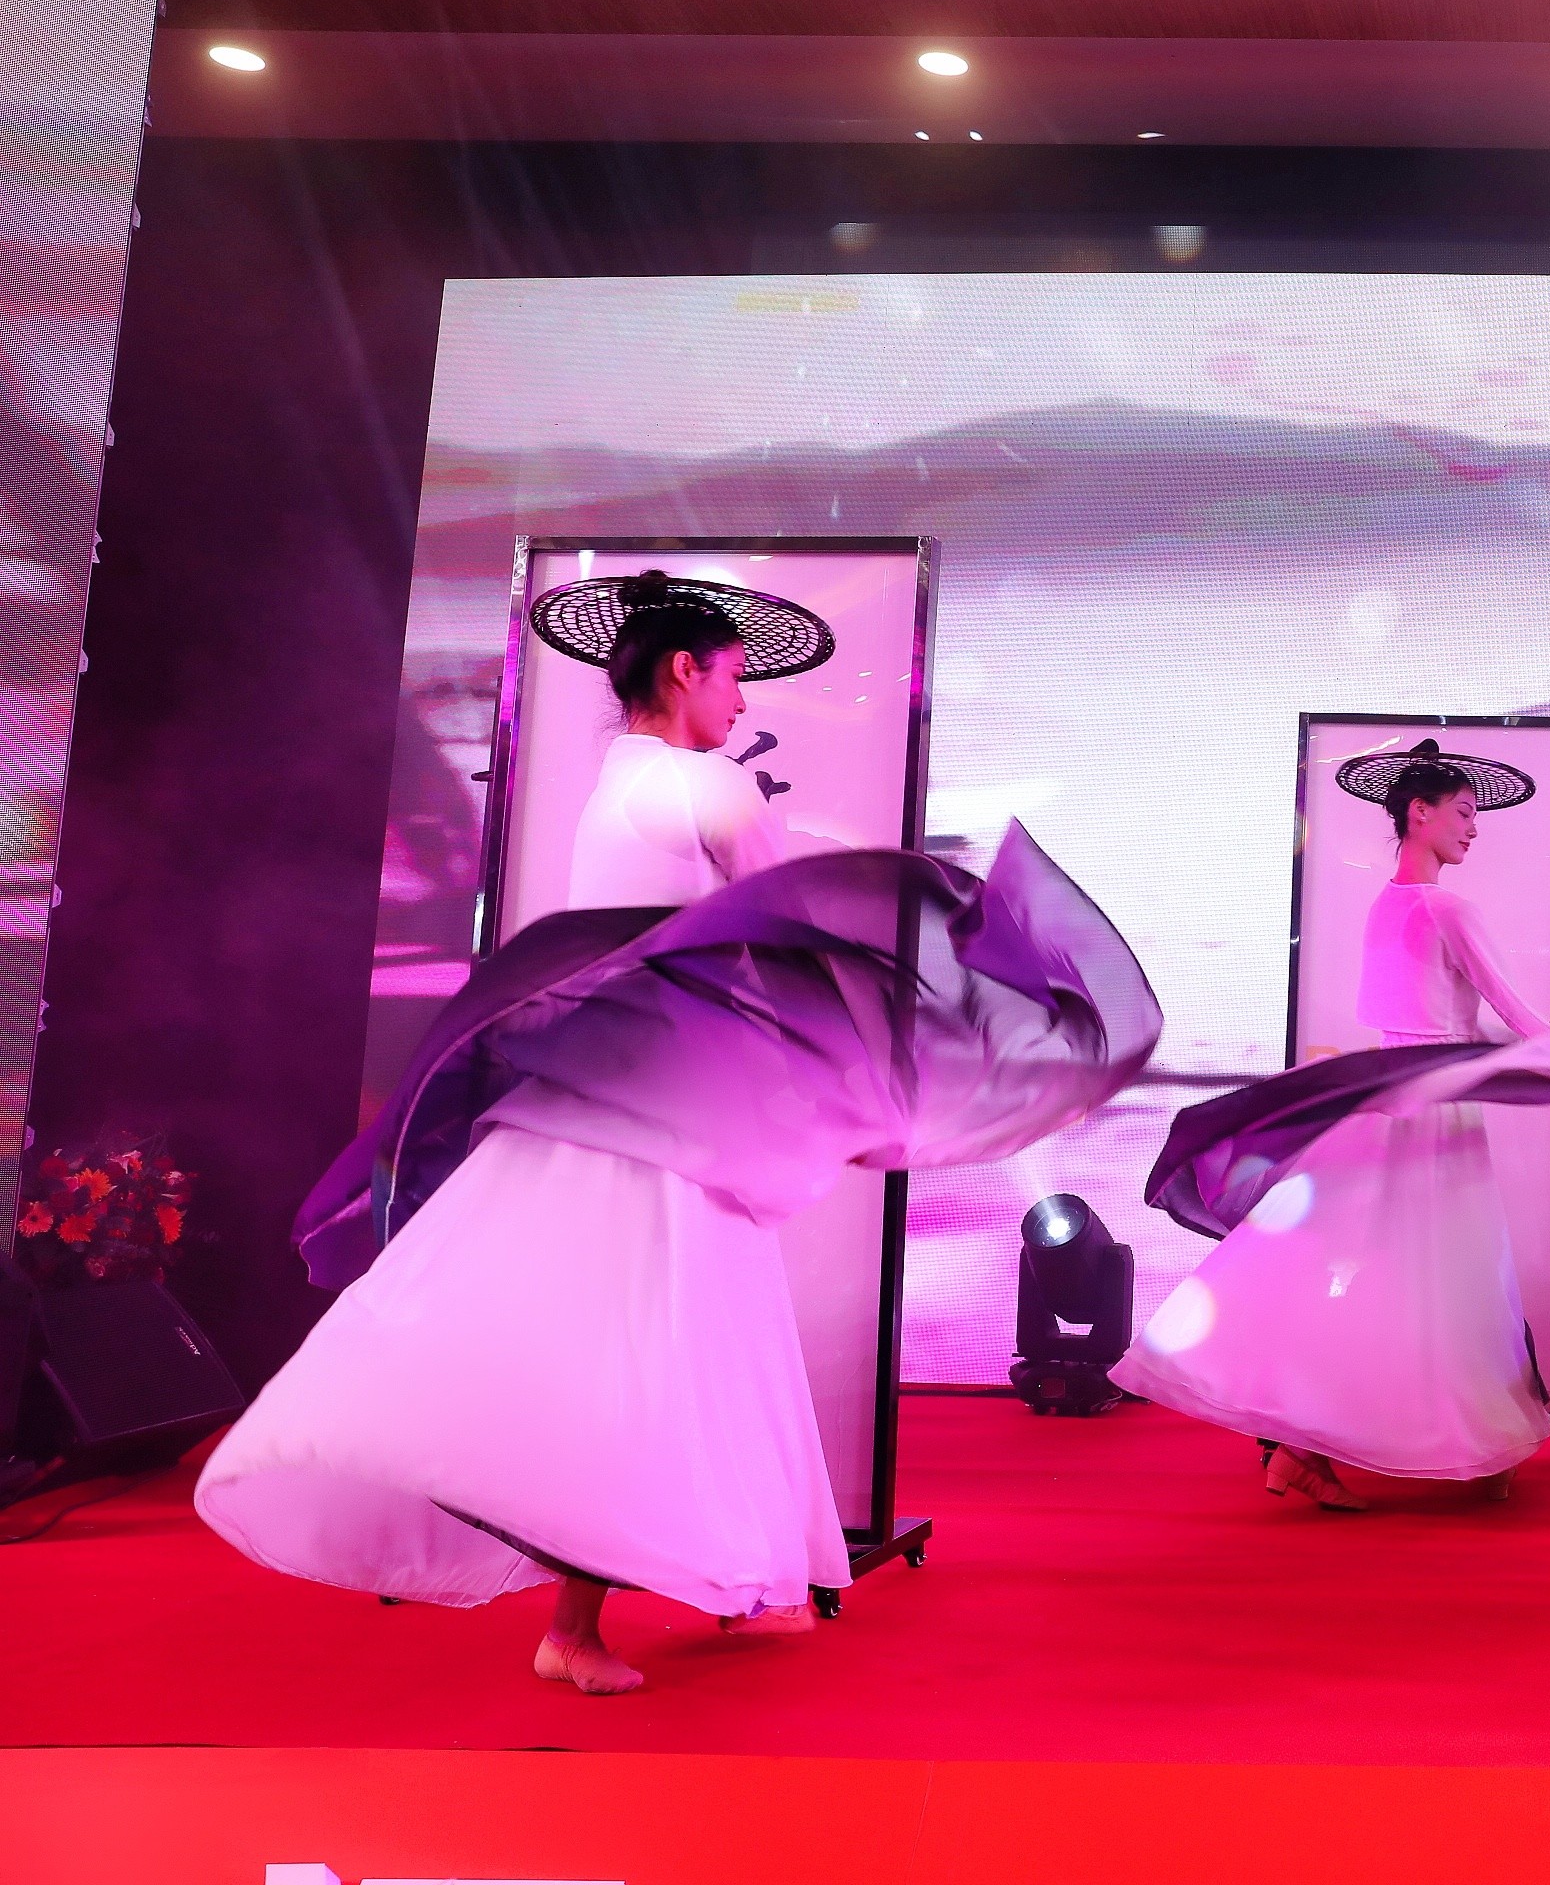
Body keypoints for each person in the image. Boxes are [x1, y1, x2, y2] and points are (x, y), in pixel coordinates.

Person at [199, 573, 1163, 1694]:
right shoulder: (708, 785)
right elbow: (792, 931)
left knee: (665, 1341)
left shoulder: (614, 785)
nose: (742, 705)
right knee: (657, 1346)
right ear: (685, 670)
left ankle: (727, 1582)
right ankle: (585, 1623)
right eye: (735, 679)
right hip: (666, 1117)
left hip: (590, 1101)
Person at [1118, 738, 1550, 1510]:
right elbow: (1524, 1027)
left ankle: (1327, 1449)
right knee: (1443, 1287)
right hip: (1433, 1118)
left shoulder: (1385, 907)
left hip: (1384, 1107)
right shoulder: (1446, 908)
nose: (1474, 827)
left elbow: (1420, 1023)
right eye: (1463, 812)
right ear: (1419, 812)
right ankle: (1449, 1445)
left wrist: (1515, 1043)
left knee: (1387, 1281)